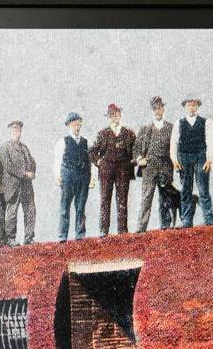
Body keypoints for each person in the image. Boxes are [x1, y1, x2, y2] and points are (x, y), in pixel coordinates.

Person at [169, 95, 213, 227]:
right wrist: (174, 160)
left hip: (201, 156)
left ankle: (208, 218)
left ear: (198, 106)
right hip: (184, 158)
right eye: (189, 105)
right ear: (185, 107)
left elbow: (211, 142)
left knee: (203, 188)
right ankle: (187, 219)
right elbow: (173, 143)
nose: (191, 107)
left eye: (194, 105)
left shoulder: (206, 122)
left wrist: (209, 160)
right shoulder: (179, 123)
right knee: (186, 189)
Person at [89, 103, 136, 236]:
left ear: (120, 115)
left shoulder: (129, 133)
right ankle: (103, 231)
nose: (113, 118)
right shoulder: (103, 133)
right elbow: (92, 152)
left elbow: (135, 150)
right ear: (108, 117)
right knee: (105, 199)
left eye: (115, 115)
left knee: (122, 200)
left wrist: (132, 162)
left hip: (123, 169)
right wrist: (99, 162)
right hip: (106, 170)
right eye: (111, 115)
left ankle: (122, 230)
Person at [132, 96, 174, 231]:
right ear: (151, 110)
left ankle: (165, 226)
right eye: (154, 109)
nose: (157, 111)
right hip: (149, 167)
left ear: (163, 109)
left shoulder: (171, 127)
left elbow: (175, 147)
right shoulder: (145, 128)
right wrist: (139, 159)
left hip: (166, 165)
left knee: (166, 197)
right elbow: (136, 148)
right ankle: (141, 228)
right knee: (146, 197)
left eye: (159, 108)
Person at [53, 112, 95, 242]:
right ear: (69, 125)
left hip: (83, 177)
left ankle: (80, 235)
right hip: (68, 177)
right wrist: (57, 176)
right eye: (74, 125)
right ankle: (62, 236)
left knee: (80, 207)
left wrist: (92, 178)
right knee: (65, 207)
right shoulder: (63, 142)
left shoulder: (86, 142)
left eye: (78, 125)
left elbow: (91, 161)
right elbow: (57, 160)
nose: (77, 127)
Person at [0, 120, 38, 246]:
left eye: (19, 130)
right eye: (15, 130)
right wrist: (25, 174)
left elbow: (32, 162)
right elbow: (9, 166)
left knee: (30, 210)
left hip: (26, 185)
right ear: (10, 132)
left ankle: (29, 237)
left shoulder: (24, 147)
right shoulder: (4, 148)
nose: (17, 132)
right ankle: (10, 239)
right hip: (13, 185)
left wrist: (32, 171)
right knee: (12, 211)